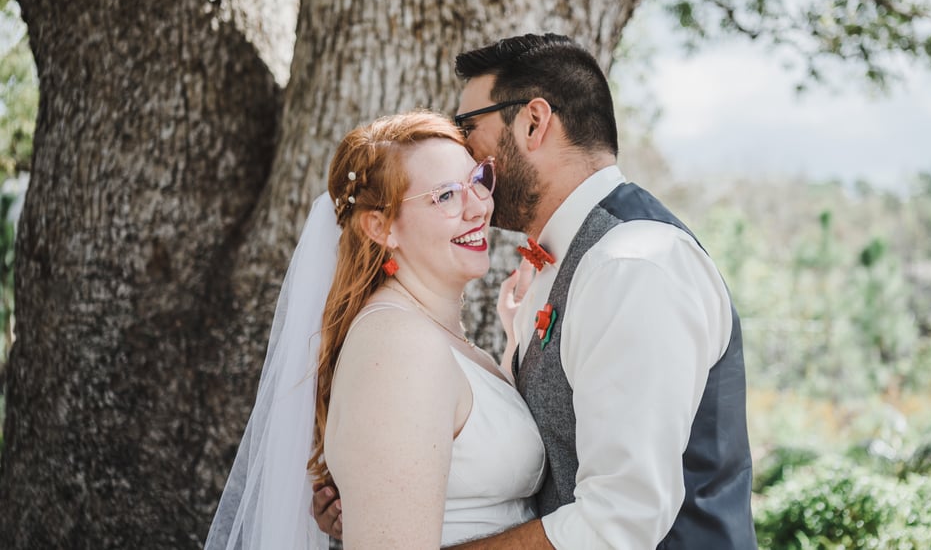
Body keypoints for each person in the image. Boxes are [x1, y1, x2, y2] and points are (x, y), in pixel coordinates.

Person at [315, 34, 757, 548]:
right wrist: (382, 504)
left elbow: (621, 519)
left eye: (468, 126)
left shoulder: (631, 263)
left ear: (532, 122)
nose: (463, 147)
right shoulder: (562, 265)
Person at [206, 111, 545, 549]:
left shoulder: (428, 335)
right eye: (445, 196)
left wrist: (515, 340)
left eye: (478, 179)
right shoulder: (399, 349)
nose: (478, 206)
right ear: (381, 227)